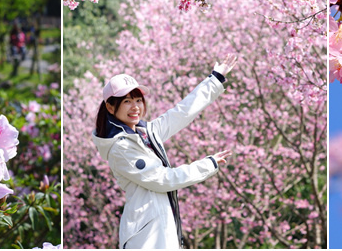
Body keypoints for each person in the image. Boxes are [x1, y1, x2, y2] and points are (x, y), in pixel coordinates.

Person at [92, 56, 236, 249]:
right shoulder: (121, 148)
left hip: (159, 229)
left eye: (138, 100)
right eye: (126, 101)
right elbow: (163, 180)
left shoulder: (145, 133)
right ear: (110, 107)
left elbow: (181, 113)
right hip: (147, 237)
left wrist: (215, 79)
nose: (135, 107)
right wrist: (207, 164)